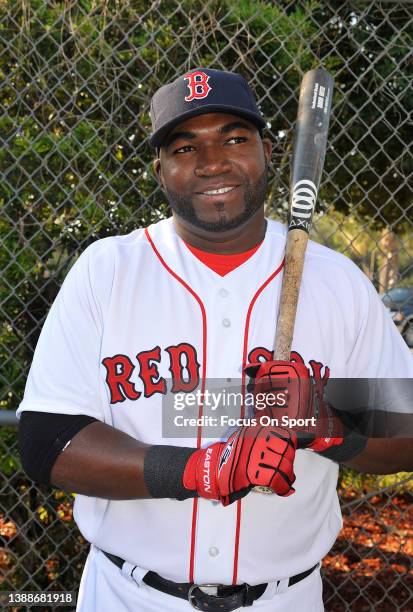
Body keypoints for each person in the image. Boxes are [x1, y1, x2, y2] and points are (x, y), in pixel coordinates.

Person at [17, 68, 413, 612]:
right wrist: (201, 469)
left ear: (268, 152)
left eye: (233, 138)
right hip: (129, 596)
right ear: (161, 170)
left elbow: (408, 432)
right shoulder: (107, 270)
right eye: (186, 146)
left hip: (285, 599)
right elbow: (46, 440)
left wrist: (326, 421)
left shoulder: (337, 280)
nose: (212, 161)